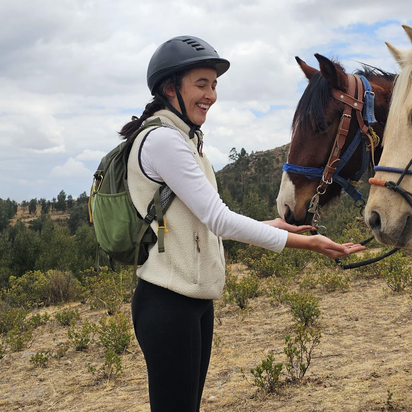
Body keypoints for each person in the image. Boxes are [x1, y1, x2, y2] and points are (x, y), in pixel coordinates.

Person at [123, 35, 366, 411]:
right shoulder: (163, 141)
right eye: (201, 84)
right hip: (168, 304)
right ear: (170, 88)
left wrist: (276, 225)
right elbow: (219, 219)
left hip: (194, 301)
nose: (211, 95)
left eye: (214, 85)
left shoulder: (184, 138)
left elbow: (204, 223)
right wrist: (310, 244)